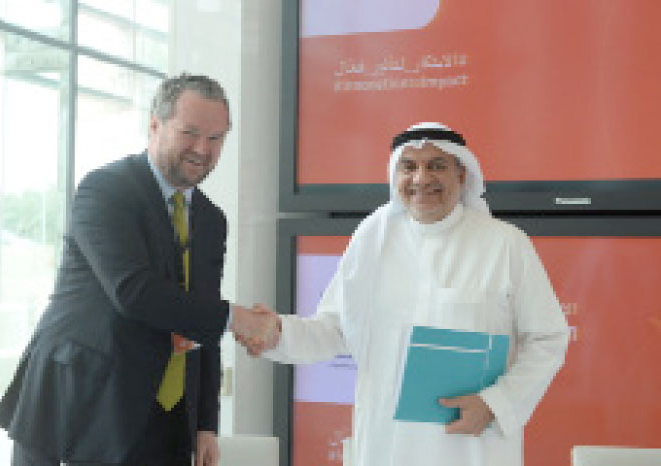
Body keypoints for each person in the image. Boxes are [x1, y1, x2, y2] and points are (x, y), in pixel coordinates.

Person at [243, 122, 570, 466]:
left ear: (462, 175)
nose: (421, 179)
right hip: (388, 445)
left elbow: (547, 339)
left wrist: (496, 403)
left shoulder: (505, 244)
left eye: (437, 166)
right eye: (409, 166)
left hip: (471, 447)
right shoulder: (372, 239)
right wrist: (277, 333)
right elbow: (336, 329)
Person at [0, 73, 276, 466]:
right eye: (190, 132)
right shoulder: (105, 190)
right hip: (82, 403)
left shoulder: (212, 219)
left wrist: (206, 422)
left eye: (216, 138)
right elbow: (134, 291)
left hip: (166, 414)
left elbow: (202, 317)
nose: (202, 149)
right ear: (154, 124)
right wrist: (237, 318)